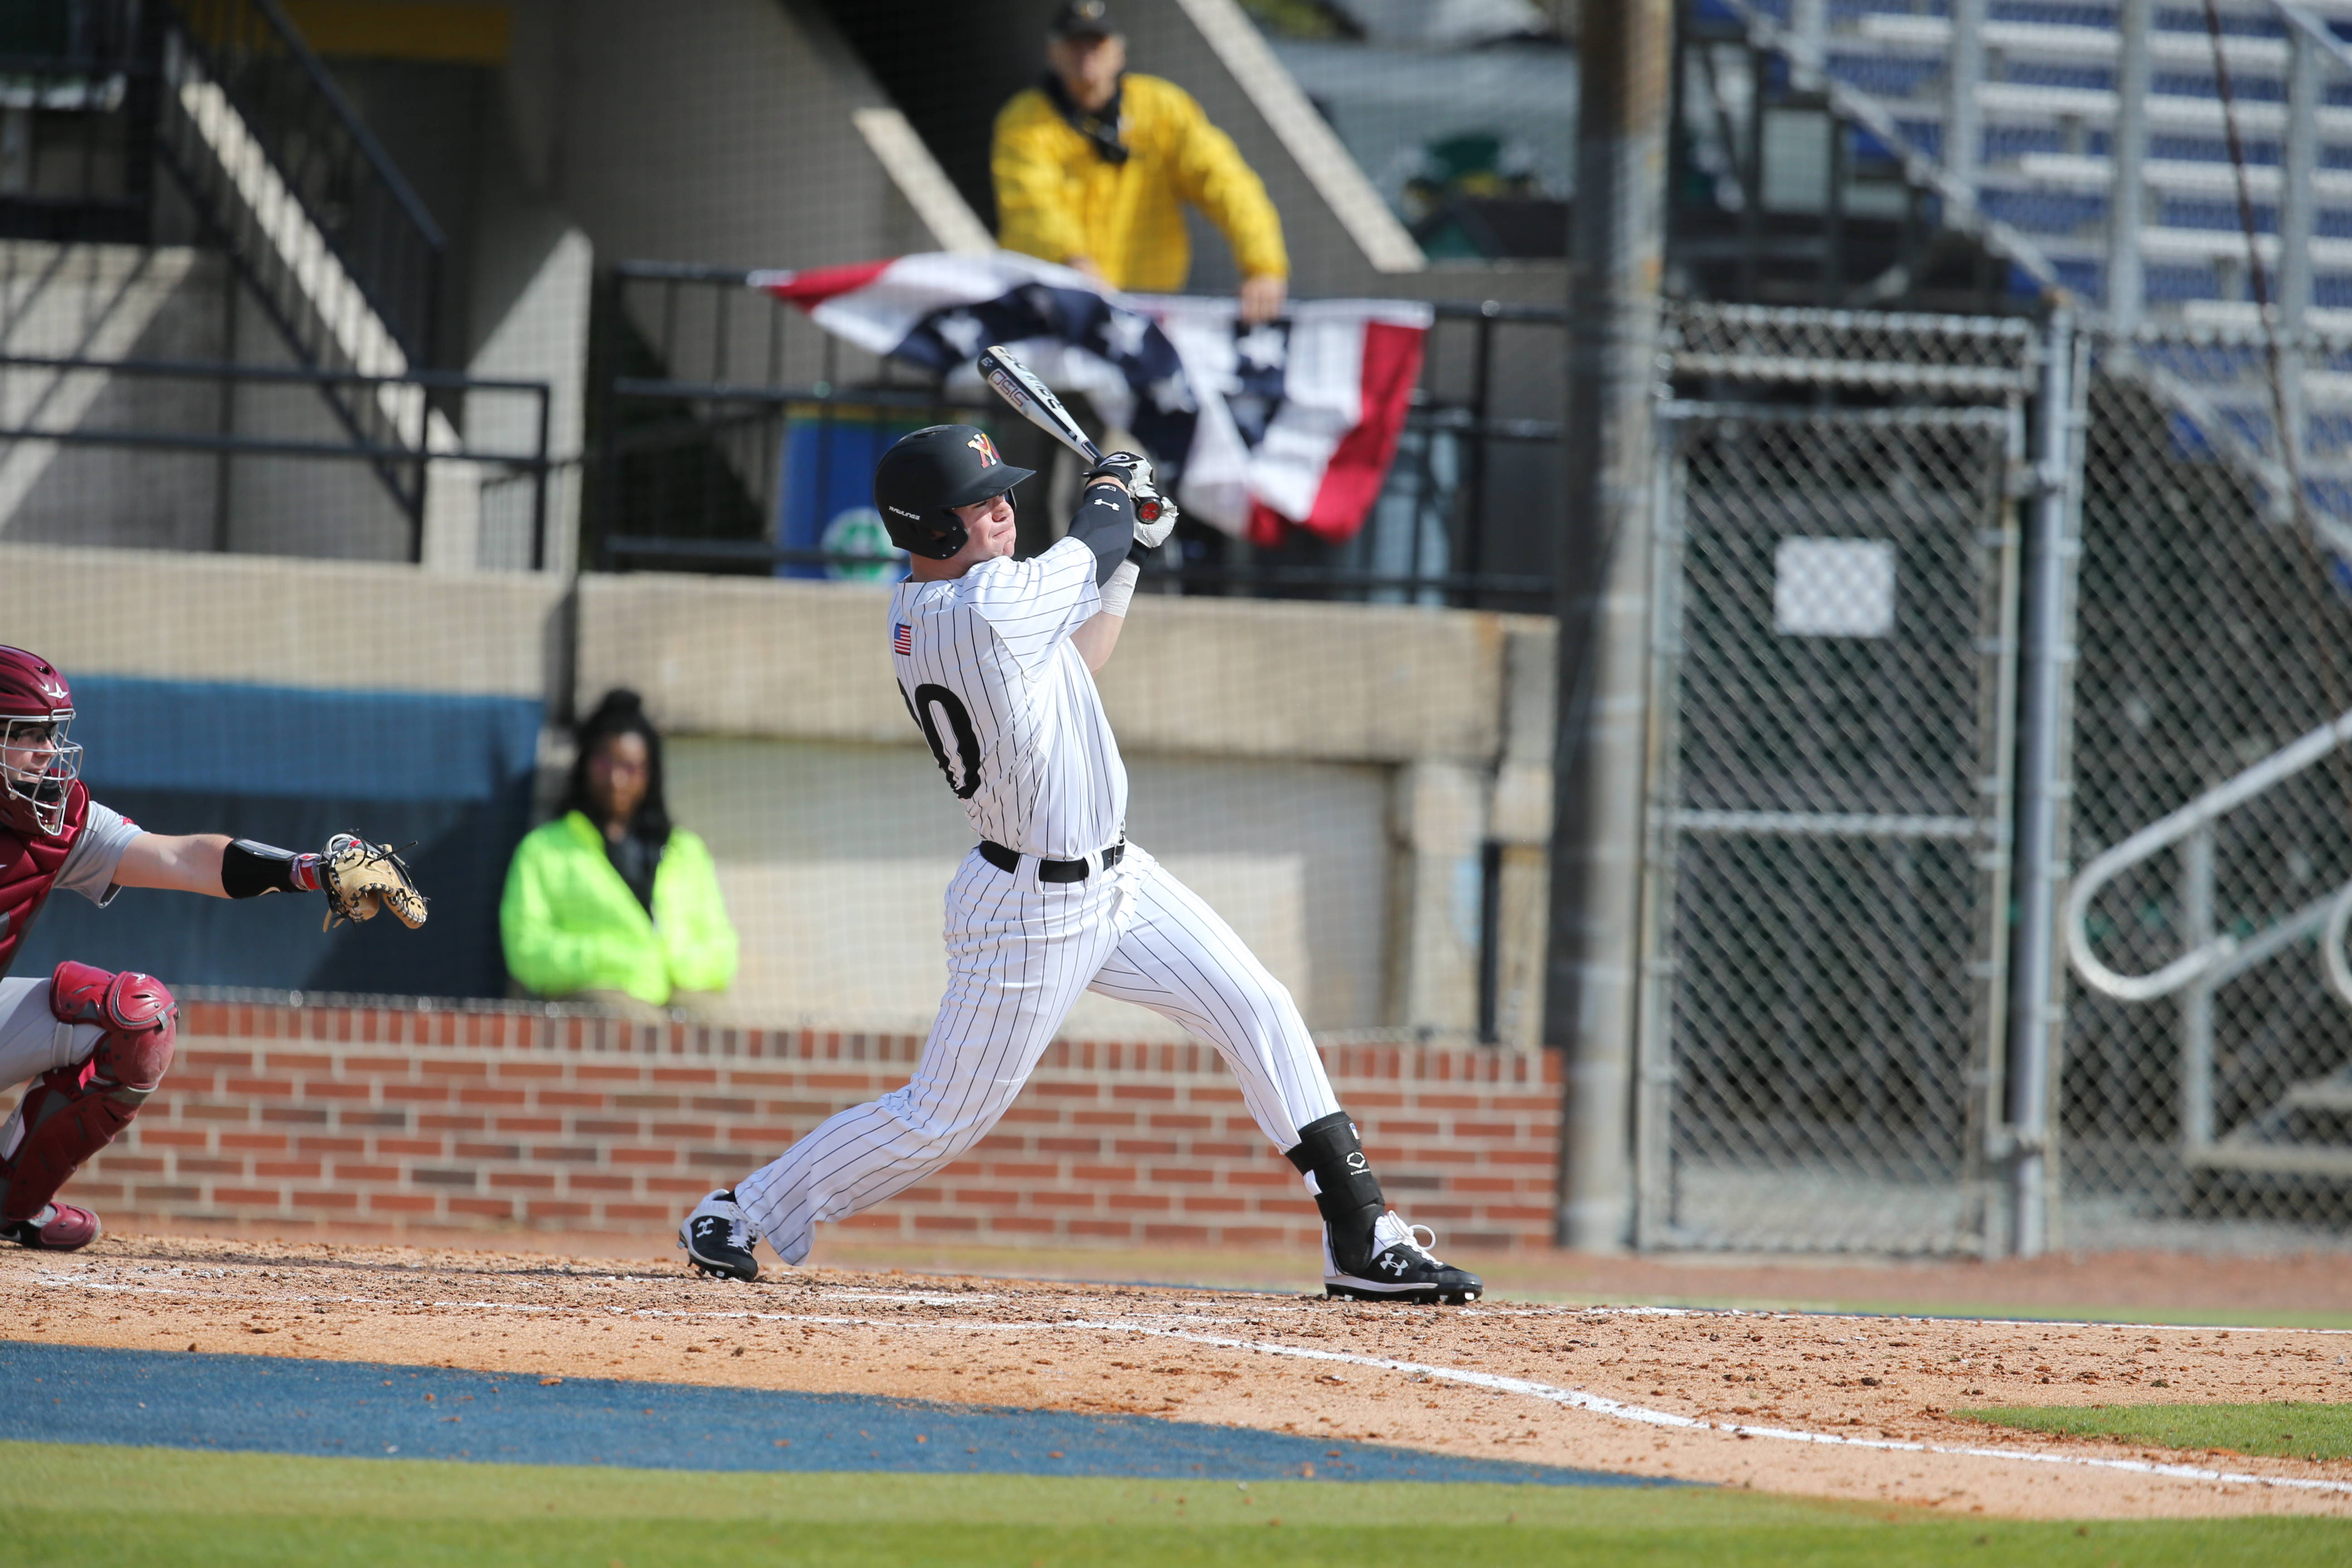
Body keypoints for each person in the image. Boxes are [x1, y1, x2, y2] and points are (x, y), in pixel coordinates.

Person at [677, 425, 1481, 1305]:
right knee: (941, 1119)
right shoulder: (974, 608)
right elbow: (1086, 545)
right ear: (933, 532)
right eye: (979, 507)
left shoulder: (991, 606)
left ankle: (1362, 1229)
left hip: (1119, 880)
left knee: (1258, 1006)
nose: (1002, 512)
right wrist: (1114, 489)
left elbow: (1081, 653)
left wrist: (1131, 548)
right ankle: (742, 1210)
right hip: (1028, 907)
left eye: (1002, 497)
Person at [0, 646, 424, 1252]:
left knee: (139, 1017)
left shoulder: (56, 820)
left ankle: (11, 1200)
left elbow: (184, 858)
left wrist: (312, 871)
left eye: (52, 736)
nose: (48, 756)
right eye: (26, 736)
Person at [993, 0, 1290, 325]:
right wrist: (1074, 262)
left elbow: (1228, 184)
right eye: (1074, 43)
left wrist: (1263, 266)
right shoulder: (1024, 121)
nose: (1086, 53)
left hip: (1147, 308)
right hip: (1054, 304)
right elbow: (1030, 204)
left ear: (1119, 52)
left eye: (1097, 43)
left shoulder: (1161, 108)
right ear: (1053, 53)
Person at [500, 690, 737, 1019]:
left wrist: (672, 962)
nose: (616, 780)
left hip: (680, 988)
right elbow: (526, 949)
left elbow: (722, 947)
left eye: (630, 767)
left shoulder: (686, 850)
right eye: (604, 764)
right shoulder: (543, 850)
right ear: (585, 767)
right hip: (598, 992)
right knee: (640, 1029)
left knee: (724, 1030)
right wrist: (615, 958)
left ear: (650, 774)